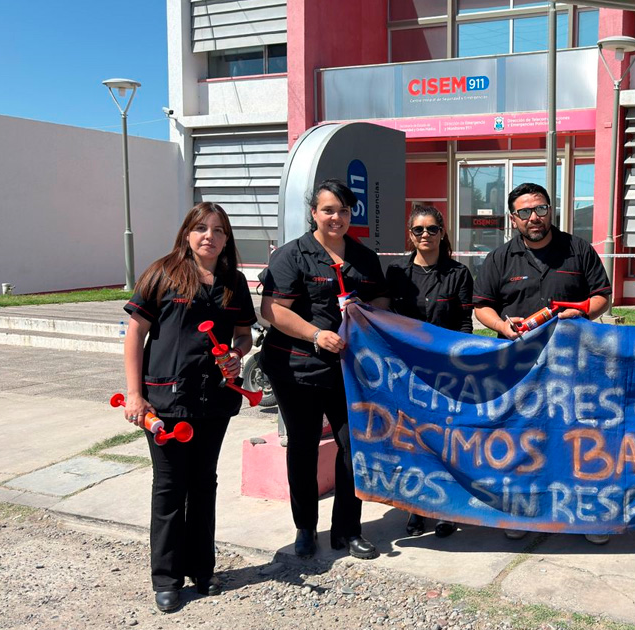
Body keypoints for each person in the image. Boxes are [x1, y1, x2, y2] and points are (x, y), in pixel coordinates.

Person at [122, 202, 255, 613]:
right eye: (201, 228)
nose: (209, 236)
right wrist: (134, 394)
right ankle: (166, 578)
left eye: (218, 230)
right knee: (168, 486)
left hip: (213, 400)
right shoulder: (162, 273)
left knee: (203, 484)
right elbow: (135, 333)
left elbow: (244, 335)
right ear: (186, 233)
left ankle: (202, 569)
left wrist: (236, 355)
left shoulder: (234, 282)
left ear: (226, 239)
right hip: (165, 400)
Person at [471, 182, 612, 545]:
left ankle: (585, 513)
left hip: (574, 365)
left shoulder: (578, 249)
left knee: (577, 438)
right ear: (513, 218)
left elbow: (603, 296)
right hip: (518, 367)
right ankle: (521, 512)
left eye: (540, 209)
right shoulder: (500, 258)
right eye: (525, 211)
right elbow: (482, 305)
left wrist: (582, 311)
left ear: (551, 210)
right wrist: (503, 325)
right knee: (522, 437)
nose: (534, 217)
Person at [258, 179, 389, 560]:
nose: (337, 217)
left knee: (351, 447)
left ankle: (348, 530)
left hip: (348, 371)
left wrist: (367, 314)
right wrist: (316, 334)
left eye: (344, 210)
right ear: (314, 213)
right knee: (303, 446)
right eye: (328, 210)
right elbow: (272, 310)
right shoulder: (291, 255)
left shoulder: (363, 257)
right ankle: (305, 528)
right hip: (298, 369)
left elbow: (381, 296)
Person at [385, 205, 473, 539]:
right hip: (406, 372)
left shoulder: (458, 273)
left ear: (442, 232)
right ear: (410, 234)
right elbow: (385, 317)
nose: (426, 235)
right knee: (413, 441)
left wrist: (459, 363)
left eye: (432, 229)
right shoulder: (396, 272)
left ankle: (447, 509)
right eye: (419, 229)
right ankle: (417, 508)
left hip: (446, 372)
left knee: (446, 441)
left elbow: (464, 322)